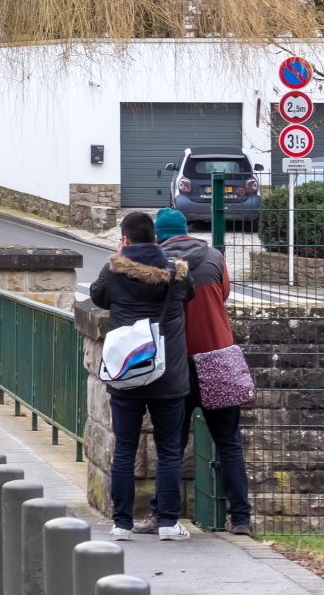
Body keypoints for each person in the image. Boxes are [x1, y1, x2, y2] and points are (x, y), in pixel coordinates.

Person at [132, 208, 252, 535]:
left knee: (171, 444)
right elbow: (223, 295)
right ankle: (240, 519)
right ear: (186, 230)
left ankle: (162, 515)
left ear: (159, 235)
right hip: (217, 357)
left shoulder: (155, 262)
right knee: (228, 442)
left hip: (176, 361)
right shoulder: (215, 256)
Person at [90, 211, 197, 541]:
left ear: (124, 240)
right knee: (168, 450)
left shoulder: (113, 270)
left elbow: (97, 296)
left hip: (127, 373)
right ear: (155, 239)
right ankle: (167, 522)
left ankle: (121, 523)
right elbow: (189, 297)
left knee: (125, 449)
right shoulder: (177, 274)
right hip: (168, 375)